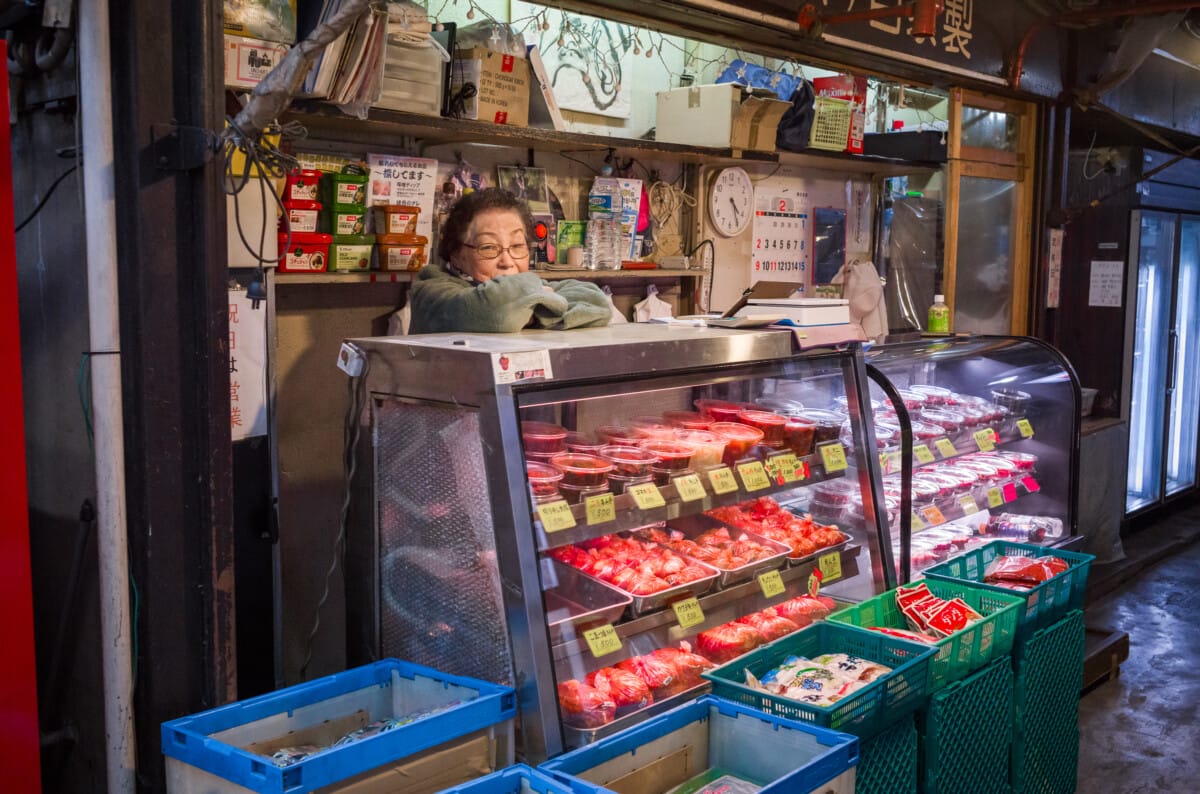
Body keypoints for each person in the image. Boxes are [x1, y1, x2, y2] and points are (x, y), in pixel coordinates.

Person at [408, 188, 612, 334]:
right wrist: (539, 303)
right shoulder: (432, 289)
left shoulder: (527, 288)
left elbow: (596, 302)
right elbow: (496, 312)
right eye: (488, 247)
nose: (507, 261)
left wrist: (530, 309)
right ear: (456, 254)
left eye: (517, 246)